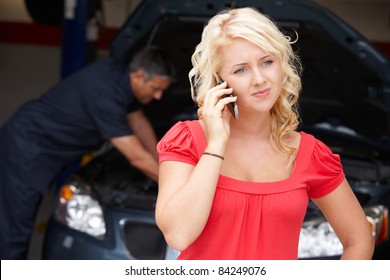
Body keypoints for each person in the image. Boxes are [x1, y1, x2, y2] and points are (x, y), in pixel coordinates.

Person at [155, 7, 374, 260]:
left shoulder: (310, 154)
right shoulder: (186, 140)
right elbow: (178, 235)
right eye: (240, 70)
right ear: (219, 81)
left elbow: (358, 240)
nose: (260, 79)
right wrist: (215, 143)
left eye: (267, 62)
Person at [0, 46, 176, 259]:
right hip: (26, 149)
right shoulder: (105, 93)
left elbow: (139, 124)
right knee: (15, 229)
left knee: (18, 219)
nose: (158, 96)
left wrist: (163, 163)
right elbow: (136, 157)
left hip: (44, 151)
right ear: (139, 76)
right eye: (156, 89)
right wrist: (175, 185)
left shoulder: (120, 77)